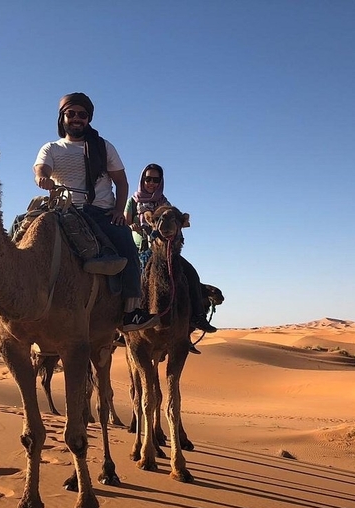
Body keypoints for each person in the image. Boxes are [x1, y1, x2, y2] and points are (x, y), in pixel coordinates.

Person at [34, 93, 158, 333]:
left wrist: (119, 212)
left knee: (127, 247)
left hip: (101, 212)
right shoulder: (52, 148)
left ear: (89, 118)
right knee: (23, 233)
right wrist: (42, 177)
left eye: (83, 115)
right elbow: (42, 167)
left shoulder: (103, 147)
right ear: (63, 117)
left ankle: (130, 312)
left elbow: (121, 182)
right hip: (65, 210)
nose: (77, 119)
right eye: (72, 114)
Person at [124, 164, 218, 335]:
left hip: (163, 250)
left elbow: (177, 222)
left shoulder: (165, 204)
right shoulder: (133, 201)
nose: (151, 183)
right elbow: (125, 222)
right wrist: (134, 226)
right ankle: (124, 325)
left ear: (161, 182)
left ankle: (197, 316)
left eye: (155, 180)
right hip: (138, 249)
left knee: (190, 273)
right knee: (128, 278)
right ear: (142, 180)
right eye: (148, 179)